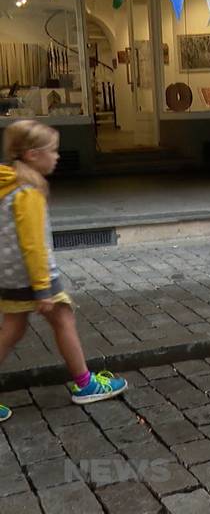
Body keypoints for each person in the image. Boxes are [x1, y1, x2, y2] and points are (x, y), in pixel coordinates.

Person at [0, 121, 128, 422]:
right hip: (31, 275)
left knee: (13, 329)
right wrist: (43, 287)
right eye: (52, 151)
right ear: (32, 154)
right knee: (63, 318)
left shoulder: (8, 183)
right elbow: (33, 244)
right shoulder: (28, 191)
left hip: (9, 274)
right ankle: (86, 384)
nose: (57, 157)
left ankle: (85, 381)